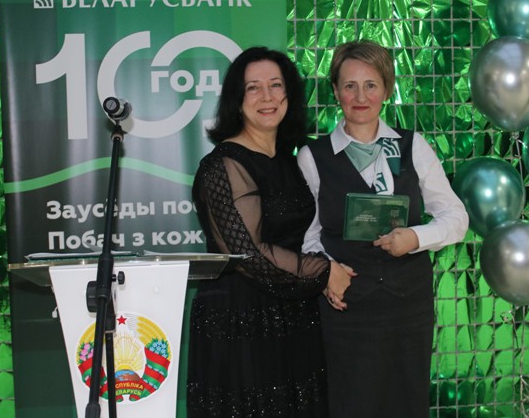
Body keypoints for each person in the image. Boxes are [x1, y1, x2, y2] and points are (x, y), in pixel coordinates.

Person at [297, 40, 469, 418]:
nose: (361, 97)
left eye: (371, 85)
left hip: (408, 308)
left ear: (387, 90)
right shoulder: (313, 157)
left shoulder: (413, 146)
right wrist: (326, 270)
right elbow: (308, 235)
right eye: (350, 86)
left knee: (406, 405)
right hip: (347, 309)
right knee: (350, 405)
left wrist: (416, 237)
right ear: (336, 91)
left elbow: (456, 217)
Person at [187, 46, 354, 418]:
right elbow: (249, 254)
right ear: (237, 99)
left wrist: (323, 272)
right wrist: (325, 272)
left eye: (276, 85)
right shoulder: (223, 165)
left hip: (295, 315)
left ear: (288, 95)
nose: (267, 96)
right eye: (253, 87)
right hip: (240, 322)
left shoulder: (289, 160)